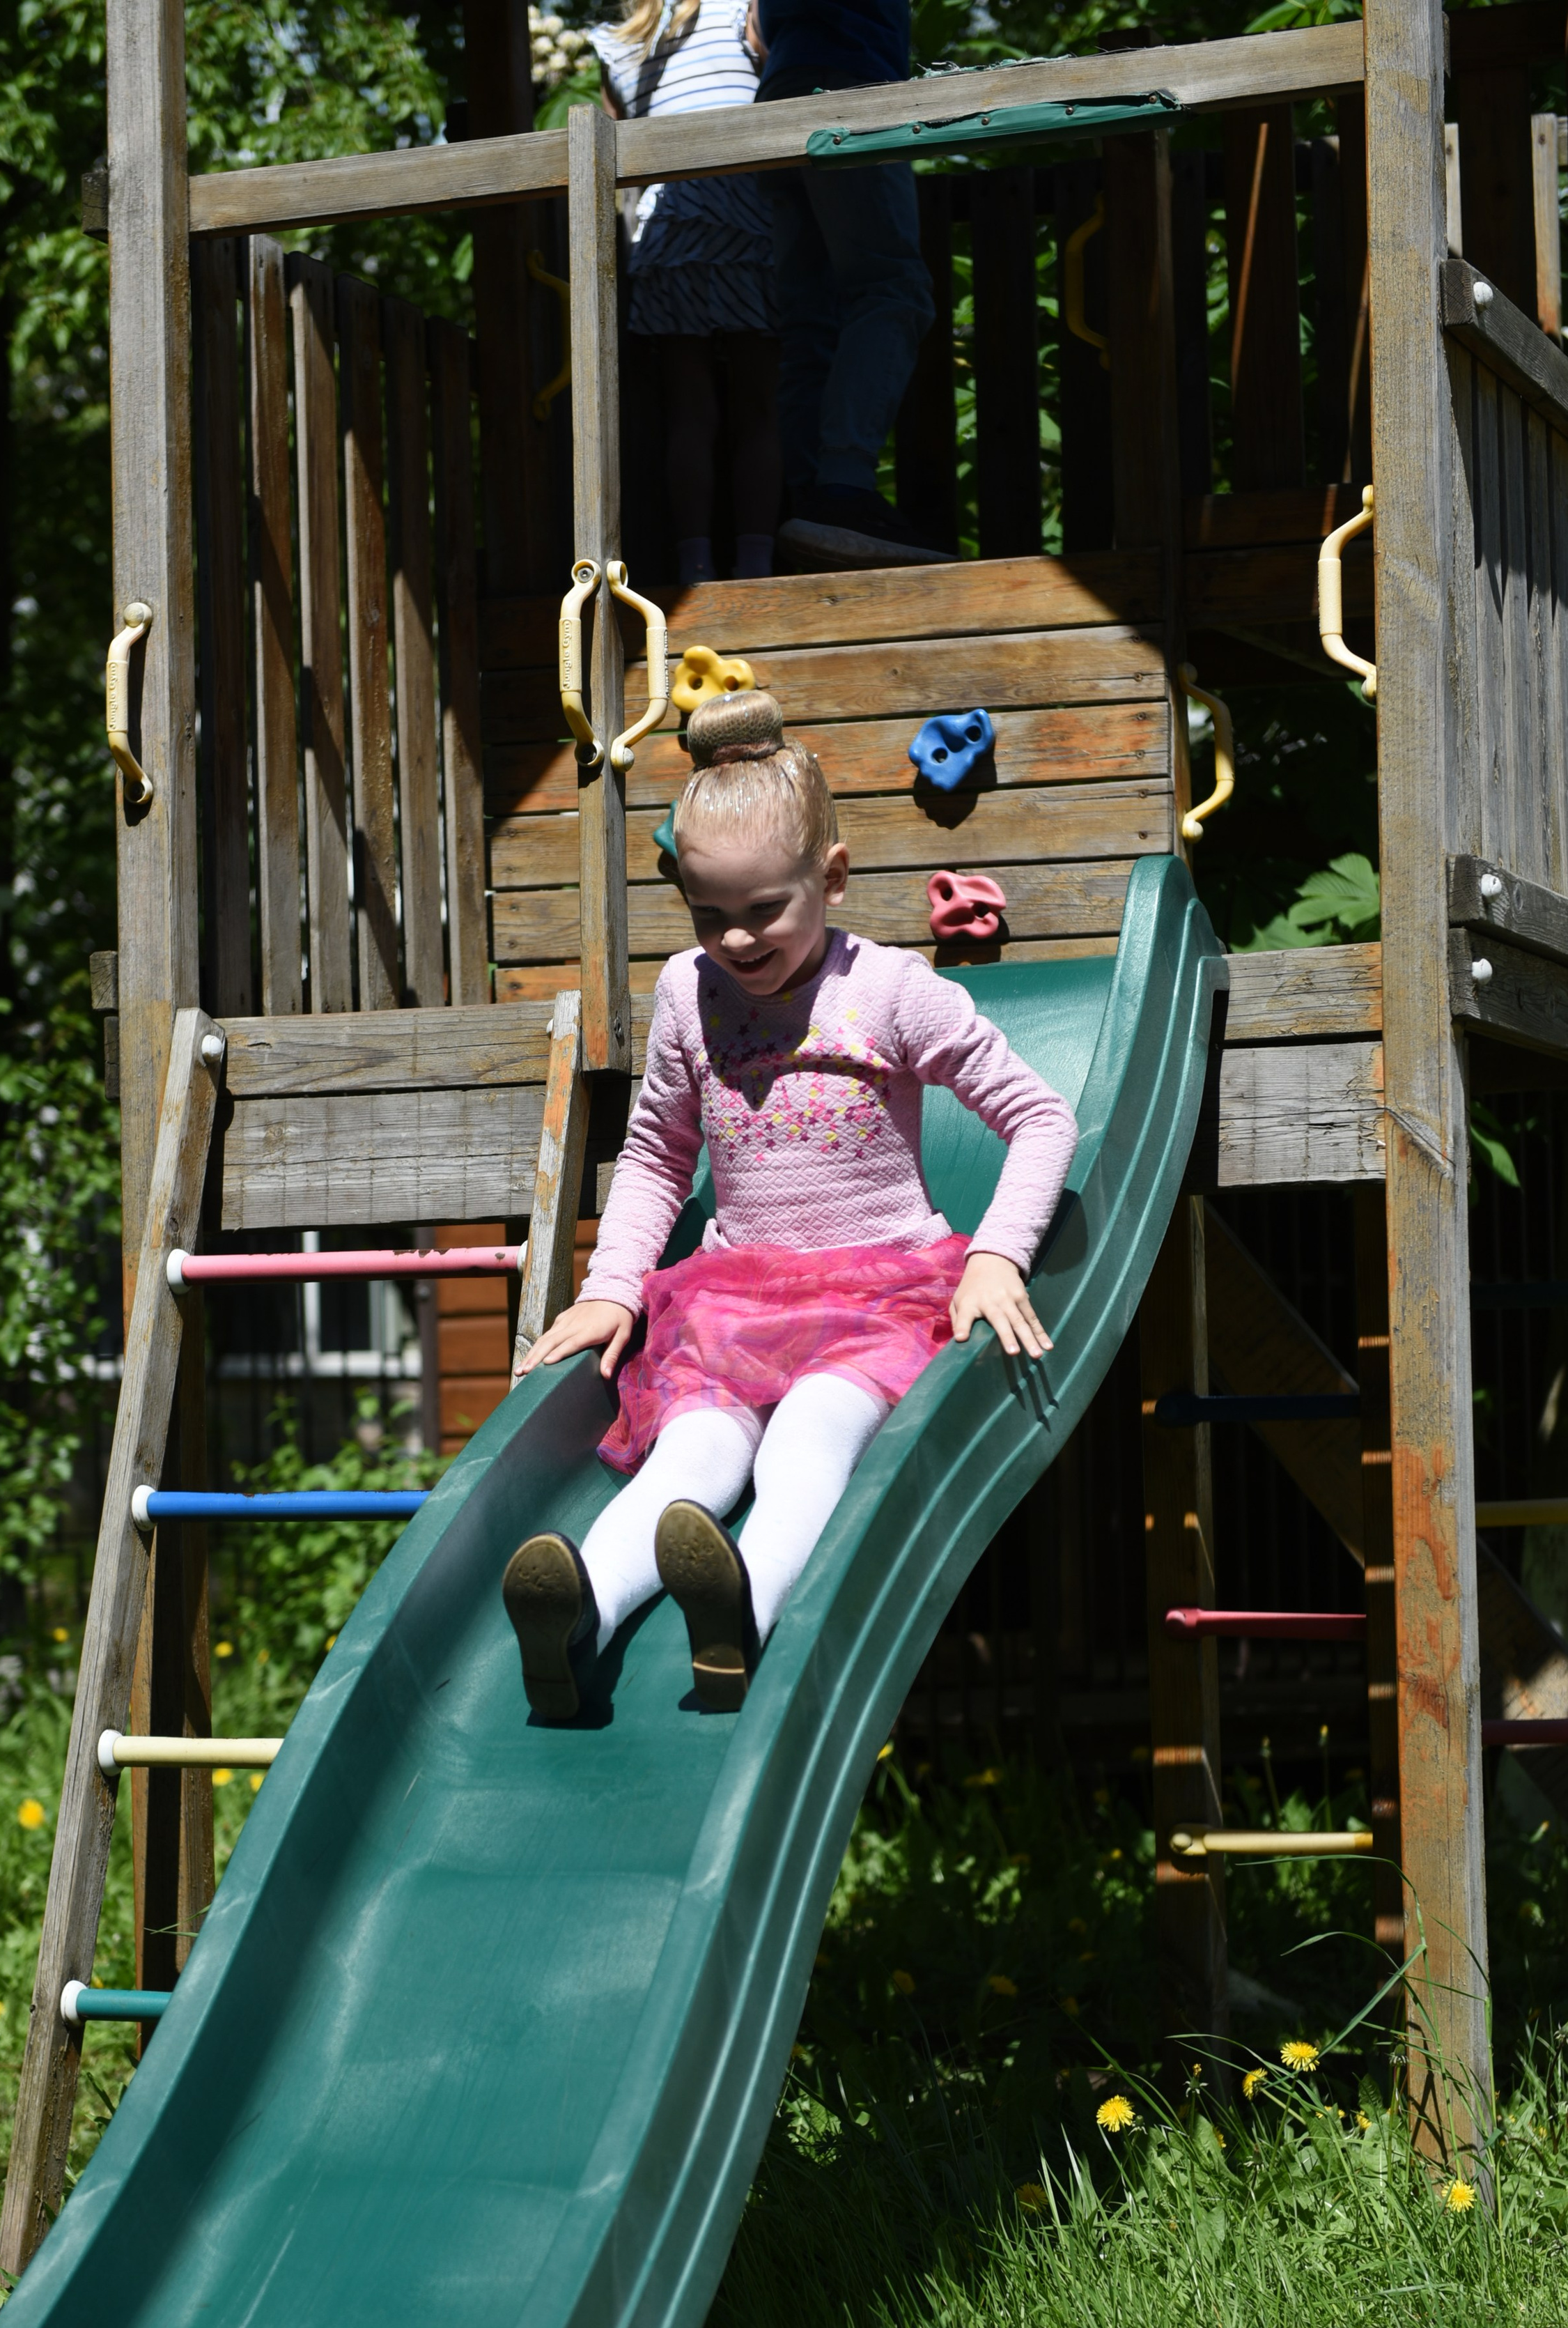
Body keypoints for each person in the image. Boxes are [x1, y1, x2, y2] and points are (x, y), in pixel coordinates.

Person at [501, 687, 1079, 1722]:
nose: (736, 939)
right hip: (734, 1299)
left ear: (833, 875)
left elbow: (1042, 1119)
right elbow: (654, 1153)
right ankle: (579, 1604)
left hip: (880, 1293)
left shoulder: (890, 990)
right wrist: (612, 1285)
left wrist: (997, 1253)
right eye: (709, 913)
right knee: (695, 1450)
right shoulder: (688, 991)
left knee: (808, 1436)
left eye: (765, 908)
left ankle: (744, 1608)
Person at [744, 0, 944, 569]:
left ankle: (814, 505)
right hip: (849, 84)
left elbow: (758, 29)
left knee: (813, 317)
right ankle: (844, 491)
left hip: (782, 90)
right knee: (893, 288)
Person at [591, 0, 783, 584]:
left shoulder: (622, 41)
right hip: (746, 218)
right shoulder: (744, 9)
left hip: (669, 231)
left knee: (688, 414)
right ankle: (756, 563)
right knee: (758, 409)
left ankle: (693, 567)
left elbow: (618, 134)